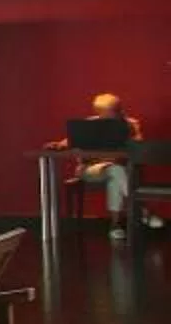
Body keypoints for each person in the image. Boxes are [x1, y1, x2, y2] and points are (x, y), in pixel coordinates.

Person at [61, 94, 161, 234]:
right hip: (90, 169)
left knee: (116, 174)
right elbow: (70, 141)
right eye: (104, 112)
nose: (110, 115)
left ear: (119, 109)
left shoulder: (130, 124)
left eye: (113, 111)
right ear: (98, 111)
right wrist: (59, 145)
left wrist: (130, 138)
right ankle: (143, 212)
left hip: (119, 169)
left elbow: (138, 148)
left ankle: (115, 226)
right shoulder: (89, 124)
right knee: (117, 171)